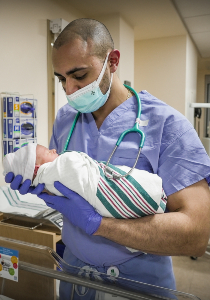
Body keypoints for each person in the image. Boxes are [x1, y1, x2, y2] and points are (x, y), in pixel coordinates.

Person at [5, 18, 210, 299]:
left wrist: (99, 225)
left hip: (139, 284)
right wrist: (38, 179)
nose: (69, 90)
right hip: (75, 278)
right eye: (61, 79)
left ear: (112, 61)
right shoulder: (66, 120)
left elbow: (195, 236)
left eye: (79, 75)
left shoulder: (168, 126)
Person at [3, 143, 167, 223]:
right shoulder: (52, 171)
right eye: (47, 151)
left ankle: (152, 194)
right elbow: (71, 165)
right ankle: (152, 196)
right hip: (75, 262)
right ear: (37, 168)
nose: (53, 150)